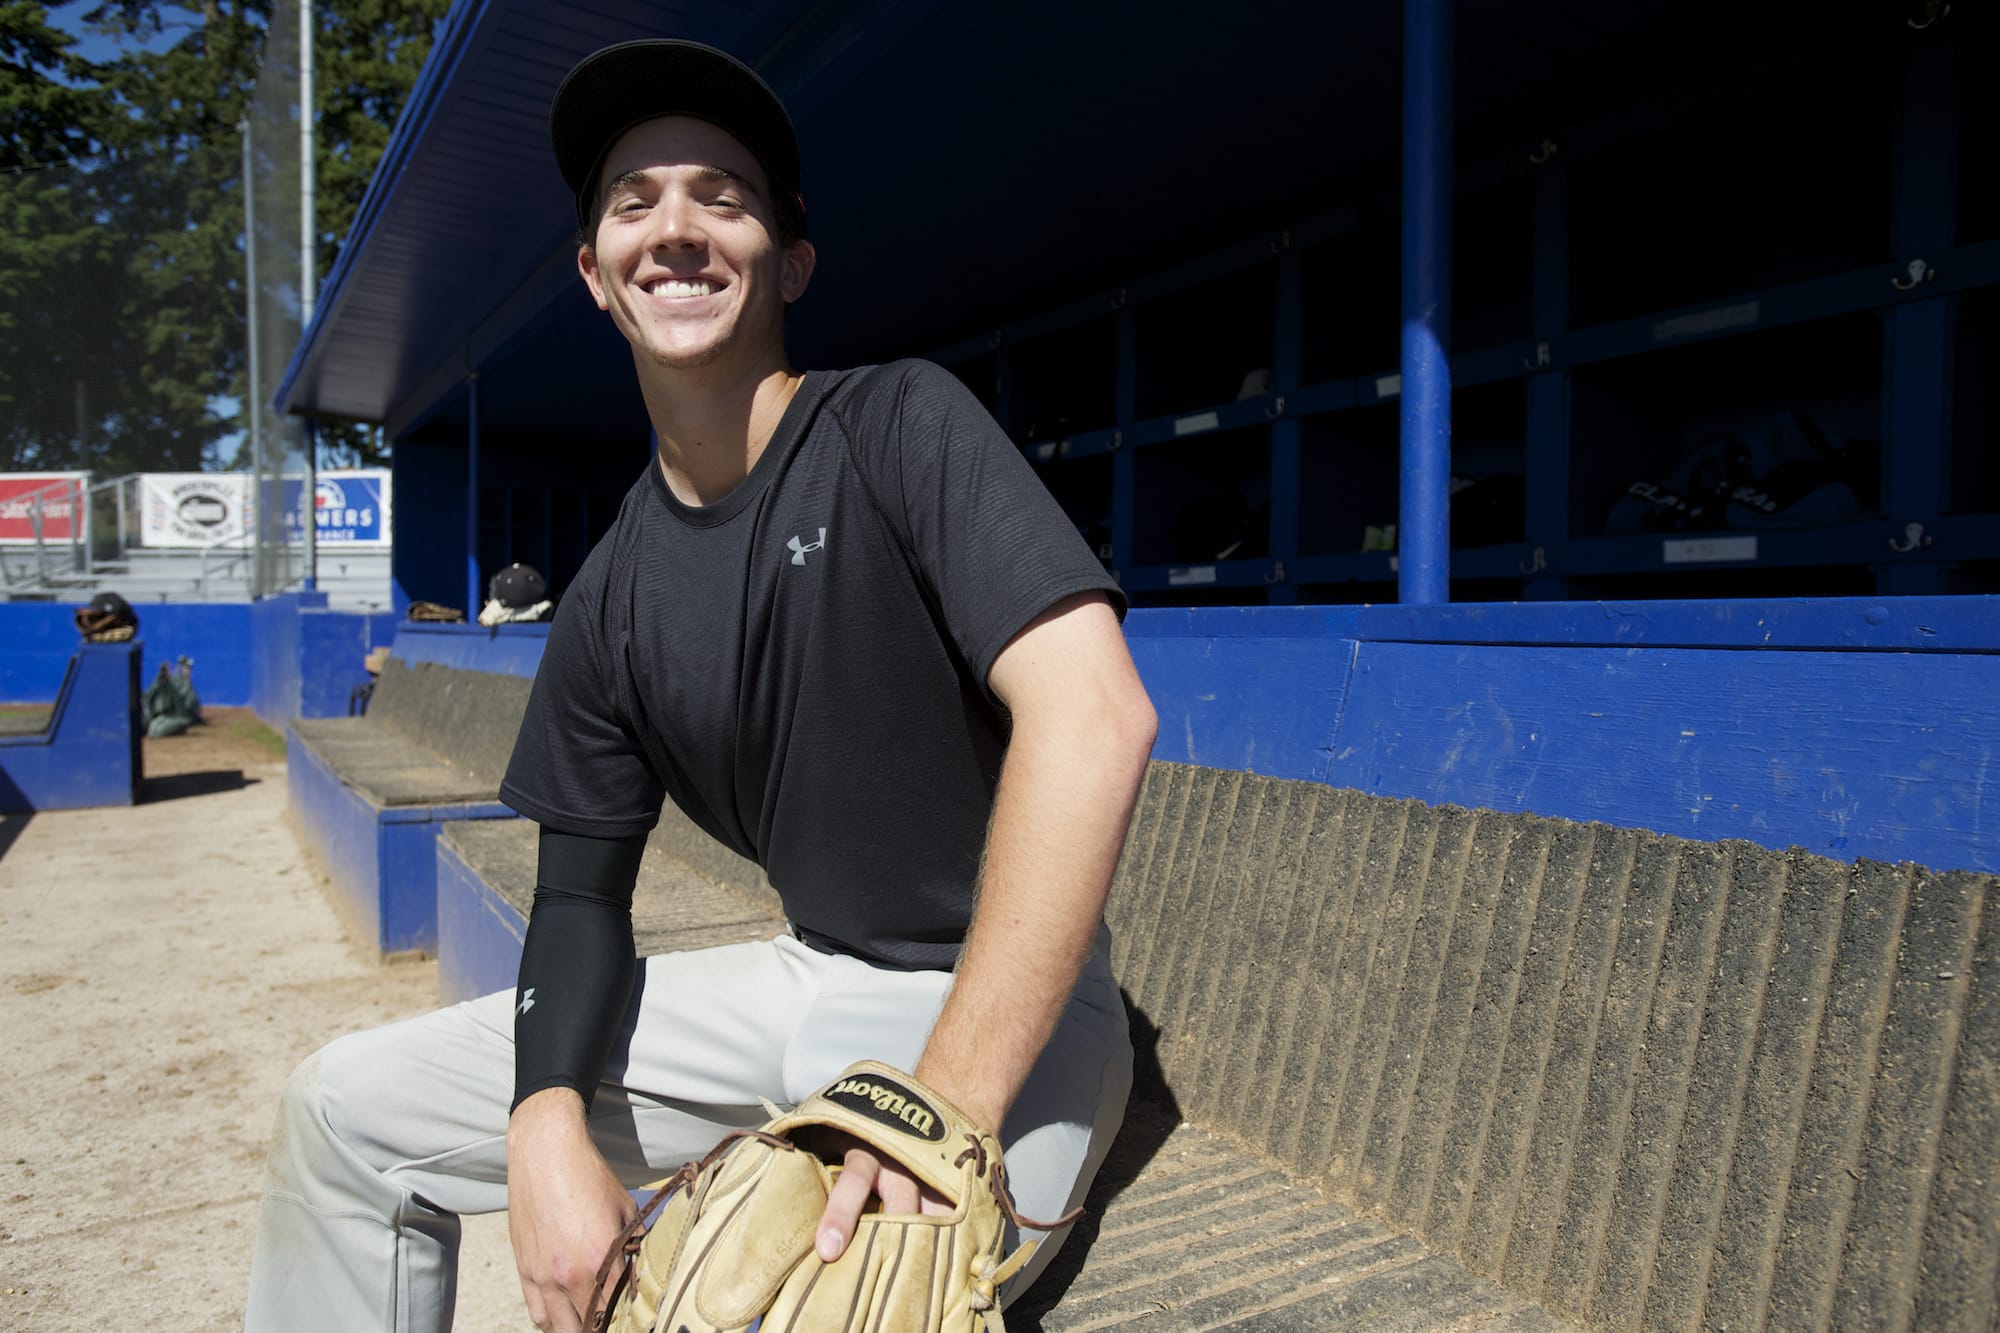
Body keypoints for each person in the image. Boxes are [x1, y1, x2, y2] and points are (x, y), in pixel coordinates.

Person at [245, 38, 1157, 1333]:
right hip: (801, 977)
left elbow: (1097, 711)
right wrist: (544, 1116)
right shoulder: (609, 590)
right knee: (339, 1112)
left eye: (722, 198)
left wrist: (937, 1100)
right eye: (634, 203)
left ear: (790, 261)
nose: (674, 228)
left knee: (821, 1304)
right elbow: (577, 895)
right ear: (594, 275)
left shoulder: (899, 425)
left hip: (1009, 1005)